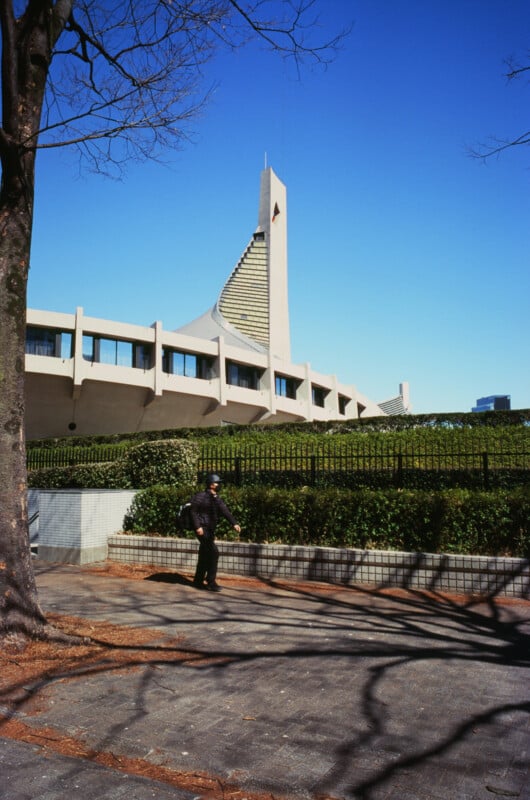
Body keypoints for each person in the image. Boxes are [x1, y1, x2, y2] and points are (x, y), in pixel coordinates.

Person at [190, 473, 241, 591]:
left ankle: (198, 581)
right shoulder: (200, 496)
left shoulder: (216, 498)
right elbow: (193, 512)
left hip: (210, 530)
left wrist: (234, 523)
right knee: (214, 553)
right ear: (212, 485)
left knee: (204, 554)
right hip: (202, 529)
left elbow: (225, 511)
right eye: (218, 483)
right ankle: (211, 581)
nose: (220, 485)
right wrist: (198, 527)